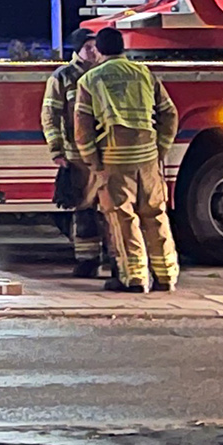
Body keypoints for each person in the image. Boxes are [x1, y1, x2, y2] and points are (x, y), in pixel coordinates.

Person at [75, 28, 180, 293]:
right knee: (155, 214)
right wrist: (160, 149)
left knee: (123, 218)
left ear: (99, 50)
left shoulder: (90, 80)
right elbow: (169, 113)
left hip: (115, 159)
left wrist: (93, 162)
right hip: (148, 158)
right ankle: (166, 276)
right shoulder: (144, 73)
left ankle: (134, 278)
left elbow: (83, 129)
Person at [40, 33, 108, 279]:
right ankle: (88, 261)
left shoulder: (104, 73)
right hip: (77, 155)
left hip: (107, 152)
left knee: (111, 209)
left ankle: (117, 260)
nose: (93, 51)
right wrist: (57, 150)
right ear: (77, 50)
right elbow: (50, 115)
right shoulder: (63, 76)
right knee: (84, 209)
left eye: (95, 47)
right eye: (87, 47)